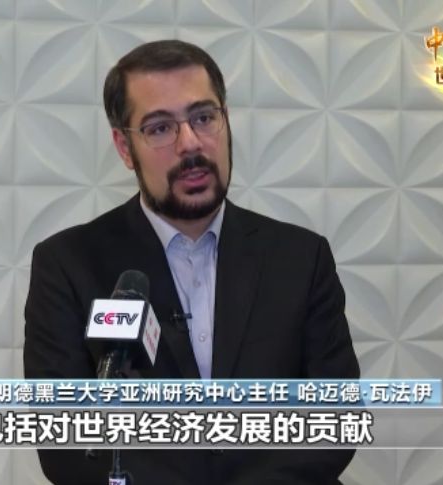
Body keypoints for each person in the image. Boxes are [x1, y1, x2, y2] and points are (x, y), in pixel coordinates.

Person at [24, 39, 360, 485]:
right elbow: (64, 444)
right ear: (124, 147)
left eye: (203, 118)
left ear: (226, 120)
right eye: (160, 128)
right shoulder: (68, 265)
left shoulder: (301, 257)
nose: (190, 143)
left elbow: (336, 420)